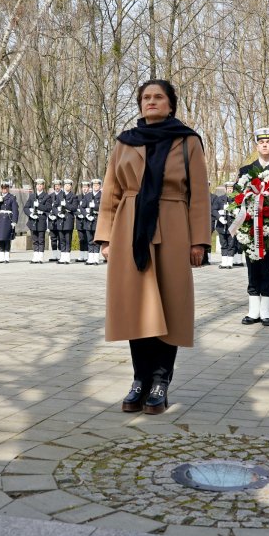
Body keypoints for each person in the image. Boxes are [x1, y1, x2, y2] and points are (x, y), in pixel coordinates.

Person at [95, 79, 209, 415]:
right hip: (130, 229)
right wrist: (105, 238)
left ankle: (161, 381)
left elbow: (200, 194)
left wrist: (198, 240)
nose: (151, 102)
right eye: (145, 97)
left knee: (170, 305)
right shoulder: (125, 142)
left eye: (158, 97)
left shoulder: (187, 141)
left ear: (171, 104)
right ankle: (139, 380)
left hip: (173, 225)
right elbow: (111, 192)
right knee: (136, 307)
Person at [238, 127, 269, 325]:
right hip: (250, 230)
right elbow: (238, 200)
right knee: (252, 269)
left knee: (268, 269)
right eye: (261, 142)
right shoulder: (246, 171)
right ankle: (253, 311)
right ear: (257, 145)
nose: (265, 145)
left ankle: (266, 312)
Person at [0, 180, 18, 263]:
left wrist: (14, 221)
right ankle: (1, 255)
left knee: (6, 238)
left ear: (8, 188)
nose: (4, 190)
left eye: (6, 188)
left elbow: (15, 210)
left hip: (7, 220)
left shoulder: (12, 197)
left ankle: (6, 256)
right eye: (2, 188)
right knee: (0, 238)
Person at [25, 179, 50, 263]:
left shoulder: (47, 196)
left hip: (41, 219)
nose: (39, 186)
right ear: (36, 186)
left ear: (43, 186)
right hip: (33, 220)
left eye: (41, 185)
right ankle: (35, 255)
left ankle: (40, 256)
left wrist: (39, 206)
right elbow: (26, 207)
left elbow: (48, 208)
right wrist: (30, 213)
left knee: (41, 239)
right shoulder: (32, 196)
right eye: (38, 185)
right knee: (34, 238)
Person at [213, 182, 237, 269]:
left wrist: (234, 213)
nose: (230, 190)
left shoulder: (236, 199)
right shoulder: (219, 199)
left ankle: (229, 263)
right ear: (225, 189)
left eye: (231, 188)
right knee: (223, 244)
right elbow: (214, 210)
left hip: (232, 225)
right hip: (221, 225)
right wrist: (219, 218)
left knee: (231, 244)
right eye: (228, 188)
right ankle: (224, 262)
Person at [55, 179, 77, 264]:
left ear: (71, 187)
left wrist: (66, 205)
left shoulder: (73, 196)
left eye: (69, 185)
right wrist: (57, 213)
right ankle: (62, 256)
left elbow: (74, 208)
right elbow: (54, 206)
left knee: (68, 239)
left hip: (68, 219)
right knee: (61, 239)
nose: (67, 187)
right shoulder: (60, 195)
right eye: (65, 185)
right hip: (60, 219)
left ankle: (67, 257)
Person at [85, 179, 103, 265]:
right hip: (89, 220)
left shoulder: (102, 195)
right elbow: (82, 207)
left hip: (97, 219)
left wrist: (95, 206)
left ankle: (96, 258)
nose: (96, 187)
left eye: (97, 185)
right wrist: (86, 215)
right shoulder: (88, 195)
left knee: (96, 240)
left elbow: (104, 206)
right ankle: (90, 258)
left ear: (100, 186)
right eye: (94, 185)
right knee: (89, 240)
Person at [47, 179, 63, 261]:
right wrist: (49, 215)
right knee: (53, 238)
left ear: (60, 186)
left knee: (60, 237)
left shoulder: (63, 195)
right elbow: (46, 207)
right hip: (51, 220)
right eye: (55, 186)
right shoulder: (50, 196)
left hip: (60, 219)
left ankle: (60, 254)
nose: (57, 187)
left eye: (58, 186)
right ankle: (54, 255)